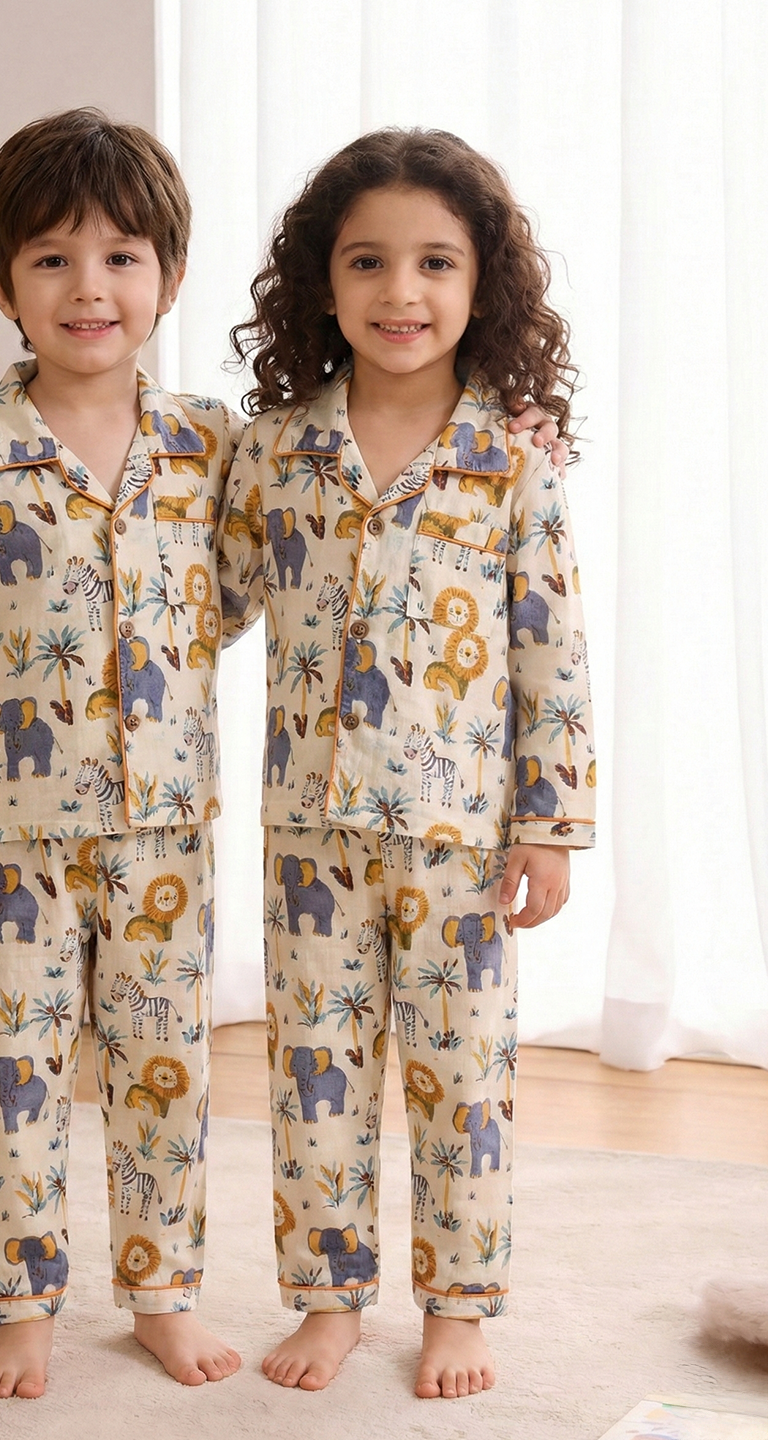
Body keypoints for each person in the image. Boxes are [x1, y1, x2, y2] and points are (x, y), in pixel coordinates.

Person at [219, 127, 594, 1399]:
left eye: (436, 262)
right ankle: (329, 1299)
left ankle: (459, 1307)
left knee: (462, 1081)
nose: (401, 291)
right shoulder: (273, 453)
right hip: (308, 833)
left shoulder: (514, 461)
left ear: (482, 284)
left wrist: (549, 826)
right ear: (321, 282)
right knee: (314, 1073)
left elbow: (551, 655)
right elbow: (208, 602)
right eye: (367, 261)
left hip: (462, 841)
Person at [0, 108, 243, 1399]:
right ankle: (23, 1306)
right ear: (4, 285)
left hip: (167, 834)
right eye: (52, 259)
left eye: (120, 257)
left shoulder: (213, 448)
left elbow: (280, 568)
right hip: (11, 842)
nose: (89, 287)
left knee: (166, 1073)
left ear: (169, 278)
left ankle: (161, 1294)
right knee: (14, 1079)